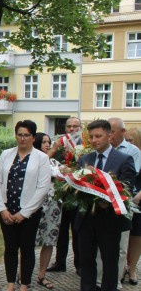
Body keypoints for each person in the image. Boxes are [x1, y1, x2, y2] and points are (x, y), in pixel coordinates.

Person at [72, 119, 135, 291]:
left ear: (110, 136)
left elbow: (127, 187)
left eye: (98, 136)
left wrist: (107, 200)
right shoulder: (85, 159)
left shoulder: (123, 159)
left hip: (109, 220)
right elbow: (76, 186)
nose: (94, 140)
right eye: (91, 137)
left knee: (109, 261)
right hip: (86, 219)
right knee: (86, 260)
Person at [0, 120, 50, 291]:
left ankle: (24, 286)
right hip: (7, 211)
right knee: (10, 249)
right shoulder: (6, 154)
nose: (22, 138)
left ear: (33, 137)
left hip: (29, 213)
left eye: (26, 135)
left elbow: (42, 188)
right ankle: (10, 286)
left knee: (26, 250)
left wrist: (24, 213)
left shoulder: (41, 158)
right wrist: (2, 209)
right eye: (19, 134)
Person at [104, 118, 141, 291]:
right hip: (103, 200)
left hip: (127, 199)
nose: (108, 134)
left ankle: (124, 274)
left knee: (127, 240)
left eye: (111, 131)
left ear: (122, 132)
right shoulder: (101, 148)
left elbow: (131, 176)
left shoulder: (132, 151)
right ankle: (104, 277)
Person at [47, 116, 83, 273]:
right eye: (69, 126)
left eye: (75, 126)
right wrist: (54, 148)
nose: (72, 129)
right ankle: (59, 262)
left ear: (80, 128)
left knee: (77, 230)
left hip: (78, 194)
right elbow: (45, 160)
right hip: (60, 193)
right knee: (61, 230)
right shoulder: (59, 143)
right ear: (65, 128)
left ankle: (79, 264)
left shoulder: (85, 144)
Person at [33, 132, 61, 290]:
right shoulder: (34, 160)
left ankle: (42, 274)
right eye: (44, 142)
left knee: (49, 241)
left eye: (49, 142)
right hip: (36, 205)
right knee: (29, 241)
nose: (48, 144)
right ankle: (23, 274)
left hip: (53, 206)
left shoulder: (55, 162)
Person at [125, 126, 141, 286]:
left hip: (138, 199)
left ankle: (133, 267)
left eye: (131, 141)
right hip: (125, 198)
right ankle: (122, 266)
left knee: (137, 235)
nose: (129, 144)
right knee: (125, 234)